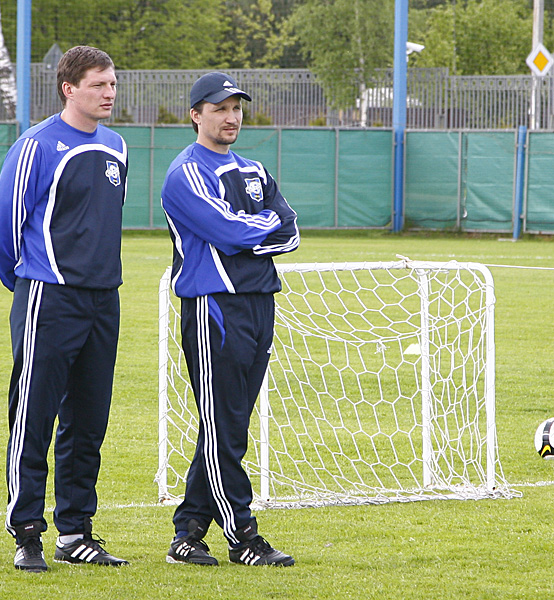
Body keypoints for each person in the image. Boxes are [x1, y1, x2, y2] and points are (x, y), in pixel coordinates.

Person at [0, 45, 129, 572]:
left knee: (88, 421)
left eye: (112, 84)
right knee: (34, 416)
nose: (109, 93)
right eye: (98, 85)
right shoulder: (36, 145)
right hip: (49, 296)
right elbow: (3, 227)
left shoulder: (116, 146)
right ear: (69, 89)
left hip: (103, 299)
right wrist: (28, 283)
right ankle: (26, 533)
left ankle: (75, 532)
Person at [160, 72, 300, 567]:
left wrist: (251, 231)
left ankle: (187, 534)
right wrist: (259, 228)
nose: (231, 116)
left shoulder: (254, 169)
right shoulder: (186, 173)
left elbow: (290, 231)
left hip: (261, 302)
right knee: (224, 425)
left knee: (231, 423)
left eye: (236, 107)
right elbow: (227, 231)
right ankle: (243, 536)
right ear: (196, 115)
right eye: (220, 108)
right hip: (214, 306)